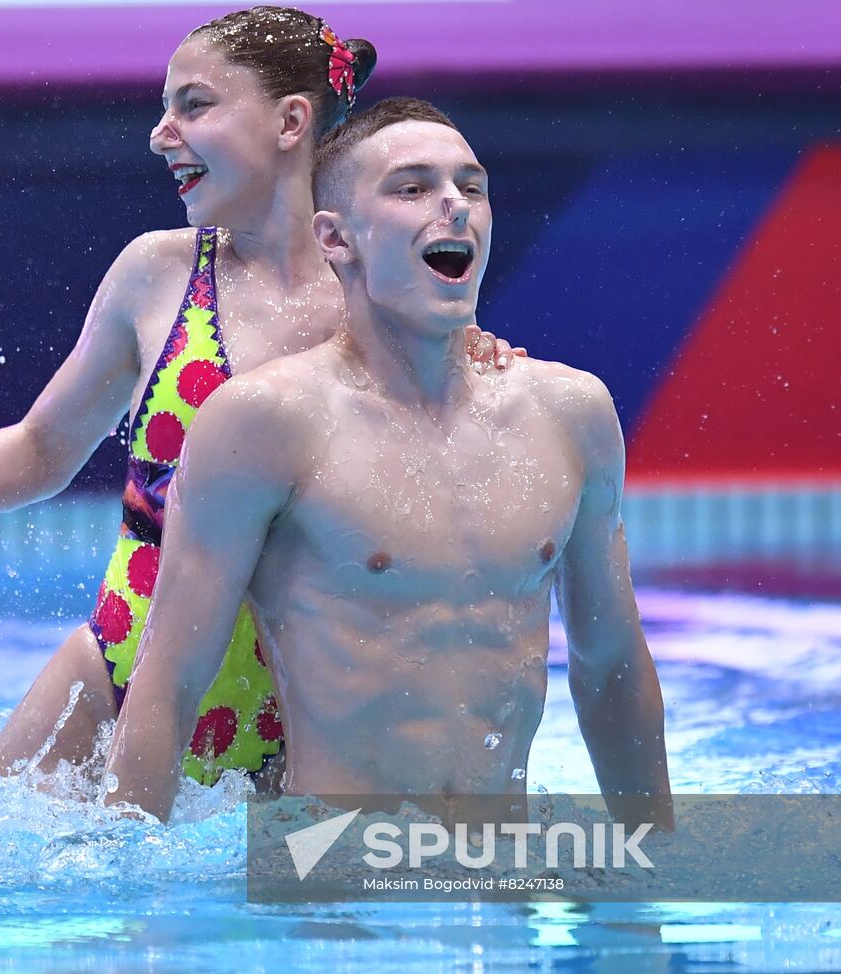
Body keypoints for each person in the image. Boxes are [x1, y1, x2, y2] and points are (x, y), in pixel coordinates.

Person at [0, 8, 523, 787]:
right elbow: (42, 447)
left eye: (194, 105)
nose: (160, 132)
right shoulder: (159, 274)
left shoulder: (385, 288)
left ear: (290, 121)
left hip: (314, 709)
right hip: (121, 671)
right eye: (163, 107)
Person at [102, 97, 673, 829]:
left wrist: (655, 869)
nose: (454, 207)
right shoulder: (267, 422)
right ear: (337, 238)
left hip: (499, 882)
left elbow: (610, 668)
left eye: (471, 187)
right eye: (412, 189)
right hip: (334, 883)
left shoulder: (571, 413)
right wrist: (131, 911)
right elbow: (169, 686)